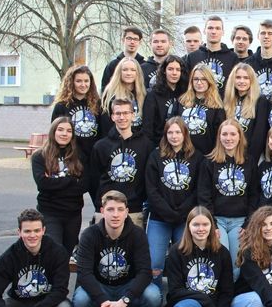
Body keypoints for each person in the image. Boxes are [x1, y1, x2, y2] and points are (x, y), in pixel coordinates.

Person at [73, 190, 161, 307]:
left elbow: (144, 273)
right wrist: (107, 304)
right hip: (101, 287)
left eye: (120, 209)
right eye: (110, 209)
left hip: (127, 287)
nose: (115, 214)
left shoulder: (137, 234)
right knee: (80, 299)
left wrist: (123, 302)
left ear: (127, 212)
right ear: (102, 211)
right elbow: (84, 274)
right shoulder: (89, 235)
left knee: (154, 295)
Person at [165, 206, 236, 307]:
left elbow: (227, 291)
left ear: (211, 226)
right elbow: (175, 291)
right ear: (188, 227)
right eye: (196, 224)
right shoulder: (176, 251)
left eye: (205, 224)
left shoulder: (222, 253)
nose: (201, 229)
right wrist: (205, 301)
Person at [145, 117, 202, 289]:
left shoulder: (197, 157)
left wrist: (181, 213)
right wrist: (168, 212)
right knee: (154, 262)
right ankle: (155, 300)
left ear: (185, 134)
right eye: (170, 132)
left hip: (185, 220)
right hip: (159, 219)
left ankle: (180, 298)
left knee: (186, 261)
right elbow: (151, 190)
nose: (174, 136)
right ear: (165, 135)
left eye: (178, 132)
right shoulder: (155, 156)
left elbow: (198, 190)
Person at [198, 118, 253, 277]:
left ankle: (232, 299)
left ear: (239, 136)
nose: (228, 138)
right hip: (217, 221)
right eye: (224, 134)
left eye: (232, 134)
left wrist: (248, 223)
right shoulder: (209, 162)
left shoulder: (249, 161)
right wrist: (212, 224)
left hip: (240, 222)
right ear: (219, 137)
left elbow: (254, 195)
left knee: (237, 264)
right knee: (220, 261)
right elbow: (204, 196)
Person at [91, 97, 154, 225]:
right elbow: (93, 180)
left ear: (133, 115)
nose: (122, 117)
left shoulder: (145, 144)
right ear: (112, 117)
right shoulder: (101, 146)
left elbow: (148, 177)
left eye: (126, 113)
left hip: (134, 209)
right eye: (118, 113)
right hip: (106, 210)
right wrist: (101, 204)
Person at [31, 117, 87, 254]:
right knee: (54, 252)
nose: (64, 134)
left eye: (68, 131)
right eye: (60, 129)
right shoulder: (39, 156)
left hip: (73, 214)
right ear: (53, 131)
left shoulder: (79, 155)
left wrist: (55, 185)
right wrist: (71, 180)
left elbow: (84, 185)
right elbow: (43, 184)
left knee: (66, 255)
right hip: (50, 213)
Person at [51, 64, 101, 161]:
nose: (83, 85)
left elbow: (102, 133)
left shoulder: (98, 105)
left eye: (86, 81)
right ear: (71, 82)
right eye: (79, 81)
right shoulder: (61, 106)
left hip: (92, 157)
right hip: (69, 157)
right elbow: (54, 134)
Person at [176, 64, 226, 155]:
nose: (199, 83)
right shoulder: (181, 102)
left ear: (209, 81)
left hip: (206, 155)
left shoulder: (217, 106)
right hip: (183, 154)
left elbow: (219, 134)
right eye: (196, 79)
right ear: (191, 81)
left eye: (203, 79)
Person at [185, 15, 238, 97]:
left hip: (223, 106)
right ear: (204, 31)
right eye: (210, 28)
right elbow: (187, 86)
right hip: (199, 106)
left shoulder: (232, 58)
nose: (213, 31)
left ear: (223, 32)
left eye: (217, 28)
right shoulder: (192, 57)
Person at [142, 55, 187, 145]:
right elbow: (148, 127)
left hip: (182, 144)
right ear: (164, 71)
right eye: (170, 69)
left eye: (178, 70)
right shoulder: (153, 94)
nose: (174, 73)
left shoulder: (185, 93)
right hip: (159, 144)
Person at [99, 57, 146, 137]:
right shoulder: (110, 95)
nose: (129, 73)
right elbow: (105, 126)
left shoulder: (144, 94)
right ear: (119, 72)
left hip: (138, 141)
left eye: (133, 70)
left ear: (137, 73)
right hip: (116, 141)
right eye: (125, 70)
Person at [223, 62, 263, 143]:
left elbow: (259, 133)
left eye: (246, 78)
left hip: (249, 152)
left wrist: (251, 155)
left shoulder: (260, 101)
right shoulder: (227, 100)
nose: (241, 81)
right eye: (238, 77)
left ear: (251, 80)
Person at [247, 19, 272, 100]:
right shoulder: (248, 64)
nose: (266, 36)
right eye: (263, 33)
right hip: (255, 109)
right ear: (258, 36)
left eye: (270, 33)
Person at [101, 26, 144, 92]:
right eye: (129, 38)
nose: (132, 42)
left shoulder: (144, 66)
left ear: (140, 42)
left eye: (135, 39)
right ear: (123, 40)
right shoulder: (112, 65)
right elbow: (104, 89)